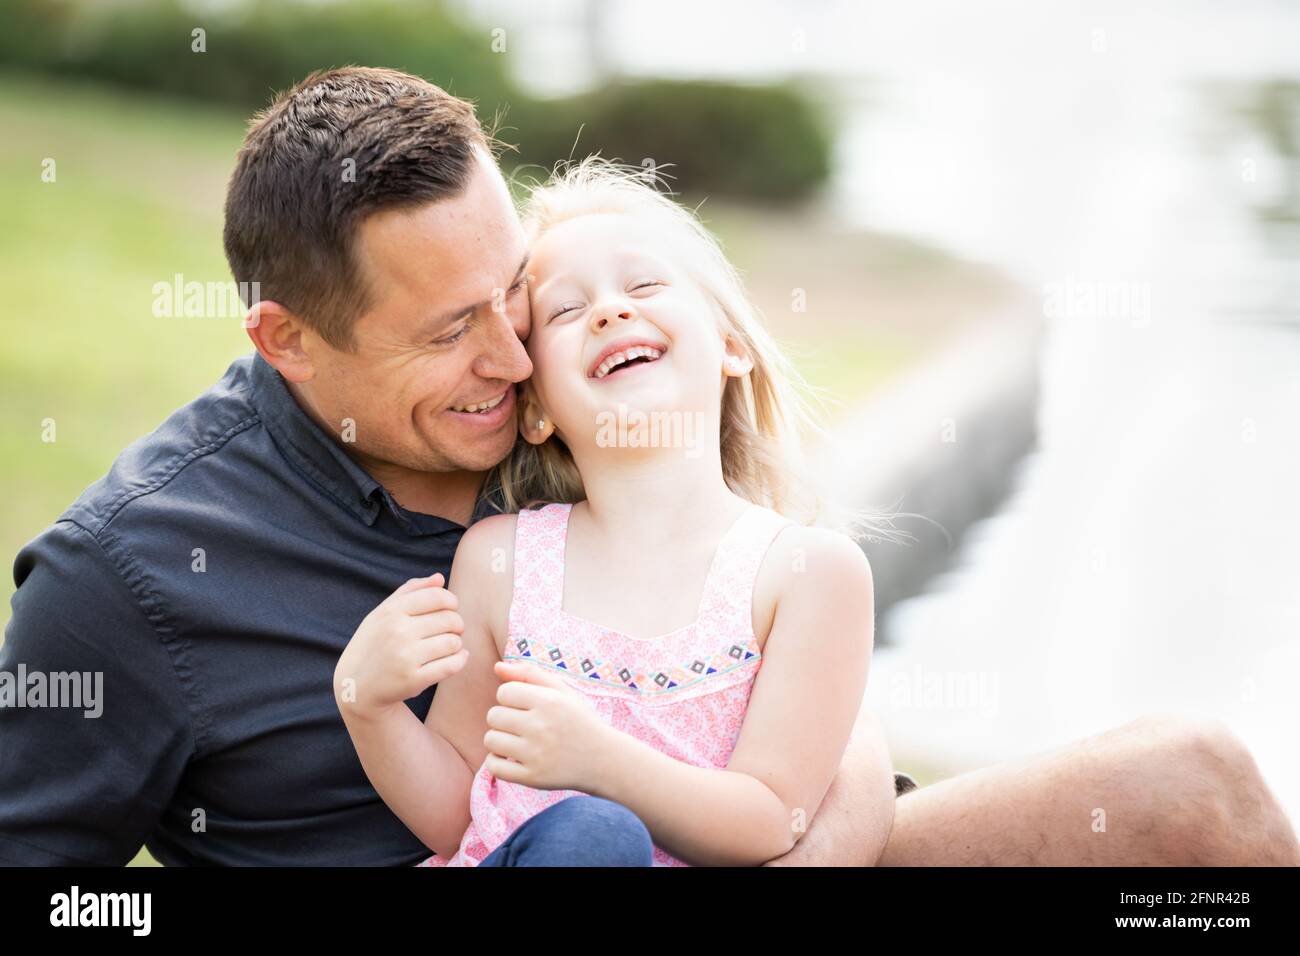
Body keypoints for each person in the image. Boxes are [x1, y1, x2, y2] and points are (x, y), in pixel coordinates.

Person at [2, 66, 1295, 867]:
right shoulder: (128, 574)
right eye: (454, 333)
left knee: (1196, 792)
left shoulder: (574, 406)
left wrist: (829, 807)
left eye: (514, 294)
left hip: (777, 841)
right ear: (287, 341)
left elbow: (786, 636)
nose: (515, 358)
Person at [334, 160, 886, 866]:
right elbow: (458, 822)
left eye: (645, 284)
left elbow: (775, 816)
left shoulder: (809, 573)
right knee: (589, 836)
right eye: (565, 310)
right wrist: (370, 707)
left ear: (730, 345)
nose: (609, 310)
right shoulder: (501, 560)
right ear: (534, 410)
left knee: (600, 831)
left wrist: (601, 762)